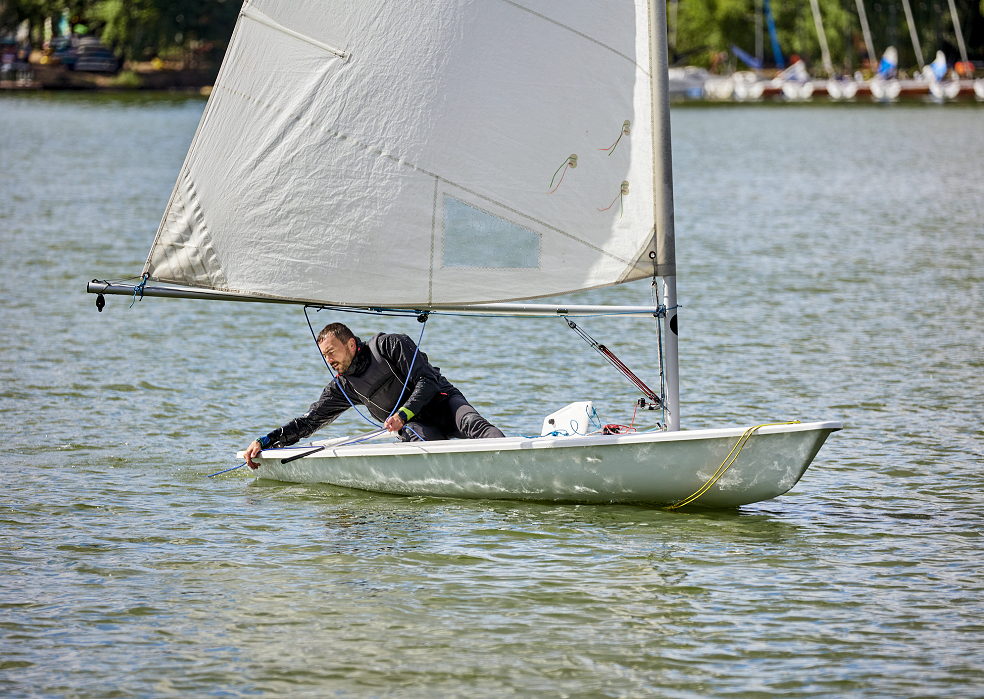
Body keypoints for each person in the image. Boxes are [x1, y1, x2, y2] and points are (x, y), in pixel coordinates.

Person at [244, 322, 504, 468]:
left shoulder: (391, 345)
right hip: (416, 428)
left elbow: (427, 382)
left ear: (351, 344)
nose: (329, 360)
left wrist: (402, 414)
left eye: (332, 352)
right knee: (423, 440)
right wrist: (266, 441)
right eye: (324, 356)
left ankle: (515, 461)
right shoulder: (344, 386)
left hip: (442, 402)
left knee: (474, 424)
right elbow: (308, 422)